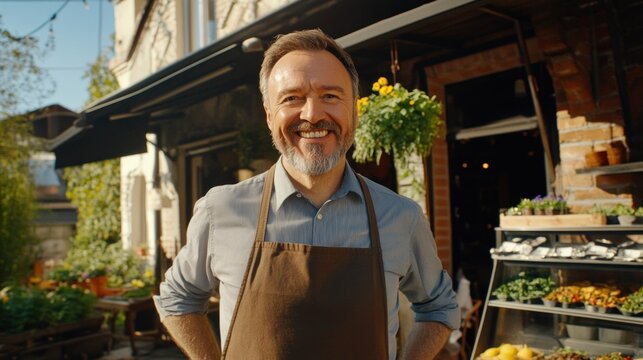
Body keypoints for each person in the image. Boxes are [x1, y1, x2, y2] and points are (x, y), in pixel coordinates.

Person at [154, 29, 459, 360]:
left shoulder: (401, 216)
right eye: (292, 98)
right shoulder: (221, 209)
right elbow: (177, 298)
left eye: (330, 96)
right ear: (269, 115)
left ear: (354, 112)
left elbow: (439, 307)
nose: (312, 114)